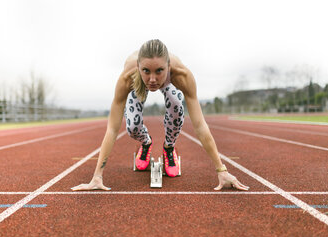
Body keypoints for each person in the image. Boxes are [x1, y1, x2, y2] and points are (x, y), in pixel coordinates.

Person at [71, 39, 249, 191]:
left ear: (169, 66)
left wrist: (221, 170)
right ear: (139, 67)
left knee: (176, 102)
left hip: (169, 84)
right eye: (146, 71)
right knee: (131, 126)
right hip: (137, 84)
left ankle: (169, 147)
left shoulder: (182, 75)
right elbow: (112, 129)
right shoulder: (128, 77)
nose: (153, 79)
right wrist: (97, 176)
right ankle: (146, 143)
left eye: (159, 71)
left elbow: (200, 126)